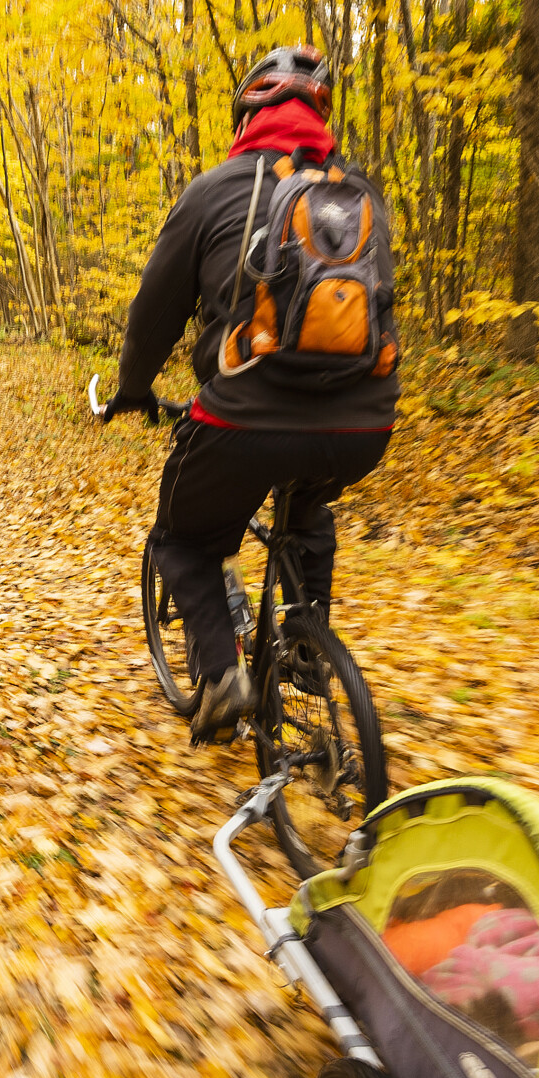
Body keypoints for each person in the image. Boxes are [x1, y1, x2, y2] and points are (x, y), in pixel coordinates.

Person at [104, 45, 400, 742]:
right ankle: (306, 649)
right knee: (308, 506)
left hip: (244, 416)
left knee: (181, 539)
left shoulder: (213, 190)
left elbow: (154, 313)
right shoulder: (361, 197)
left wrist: (132, 388)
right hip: (362, 423)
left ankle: (222, 675)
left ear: (246, 115)